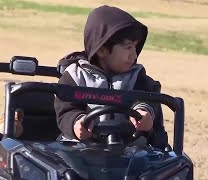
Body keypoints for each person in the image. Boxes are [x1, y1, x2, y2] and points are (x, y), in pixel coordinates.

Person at [55, 5, 168, 149]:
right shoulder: (75, 77)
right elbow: (66, 110)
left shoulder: (137, 77)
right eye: (128, 47)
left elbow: (147, 97)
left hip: (129, 151)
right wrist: (76, 122)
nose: (134, 55)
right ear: (102, 50)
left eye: (135, 47)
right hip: (80, 150)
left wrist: (143, 112)